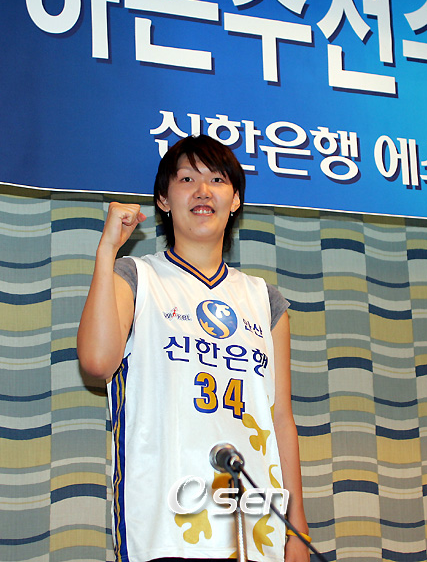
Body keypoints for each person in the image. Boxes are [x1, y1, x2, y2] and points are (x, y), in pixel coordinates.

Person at [77, 135, 310, 562]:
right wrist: (107, 251)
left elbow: (281, 420)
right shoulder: (135, 276)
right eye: (187, 179)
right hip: (164, 521)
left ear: (235, 200)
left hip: (255, 523)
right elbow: (95, 362)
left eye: (217, 180)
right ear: (163, 200)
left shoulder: (266, 300)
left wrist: (297, 529)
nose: (203, 191)